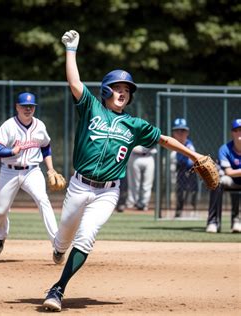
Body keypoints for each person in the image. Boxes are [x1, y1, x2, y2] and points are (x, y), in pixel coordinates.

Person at [42, 30, 209, 312]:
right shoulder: (91, 107)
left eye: (127, 90)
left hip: (108, 192)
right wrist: (71, 51)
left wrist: (194, 155)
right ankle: (59, 248)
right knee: (63, 238)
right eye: (119, 88)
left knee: (86, 235)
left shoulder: (133, 125)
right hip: (79, 185)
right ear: (106, 90)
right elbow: (74, 82)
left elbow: (165, 139)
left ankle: (58, 289)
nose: (123, 93)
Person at [0, 92, 61, 262]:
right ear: (17, 107)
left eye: (31, 106)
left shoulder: (40, 126)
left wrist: (50, 169)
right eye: (24, 106)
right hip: (9, 171)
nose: (28, 109)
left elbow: (46, 147)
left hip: (32, 171)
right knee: (1, 211)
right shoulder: (9, 126)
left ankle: (58, 246)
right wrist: (10, 151)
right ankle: (0, 237)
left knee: (43, 200)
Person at [206, 119, 241, 233]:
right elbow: (229, 172)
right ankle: (213, 222)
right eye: (236, 130)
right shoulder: (225, 149)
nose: (239, 133)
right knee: (217, 182)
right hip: (230, 179)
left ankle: (237, 221)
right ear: (232, 133)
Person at [171, 118, 198, 218]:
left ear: (187, 132)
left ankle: (193, 209)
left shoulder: (189, 144)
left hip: (190, 170)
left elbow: (191, 161)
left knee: (193, 190)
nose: (180, 133)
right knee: (180, 191)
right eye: (177, 131)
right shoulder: (171, 144)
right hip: (179, 171)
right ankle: (178, 211)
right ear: (173, 133)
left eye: (183, 131)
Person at [125, 145, 156, 211]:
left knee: (147, 184)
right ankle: (131, 203)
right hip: (134, 156)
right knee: (134, 183)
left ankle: (144, 203)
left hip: (149, 156)